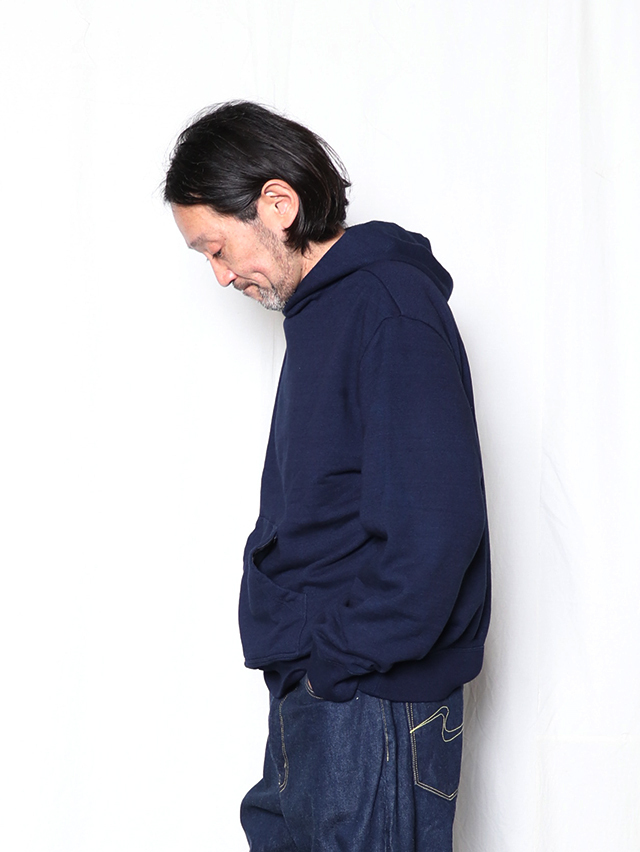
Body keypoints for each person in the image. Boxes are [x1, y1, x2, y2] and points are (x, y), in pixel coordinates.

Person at [164, 101, 490, 852]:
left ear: (278, 204)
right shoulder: (323, 313)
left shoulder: (388, 306)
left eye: (218, 248)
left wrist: (337, 663)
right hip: (323, 692)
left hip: (367, 695)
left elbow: (436, 527)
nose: (220, 276)